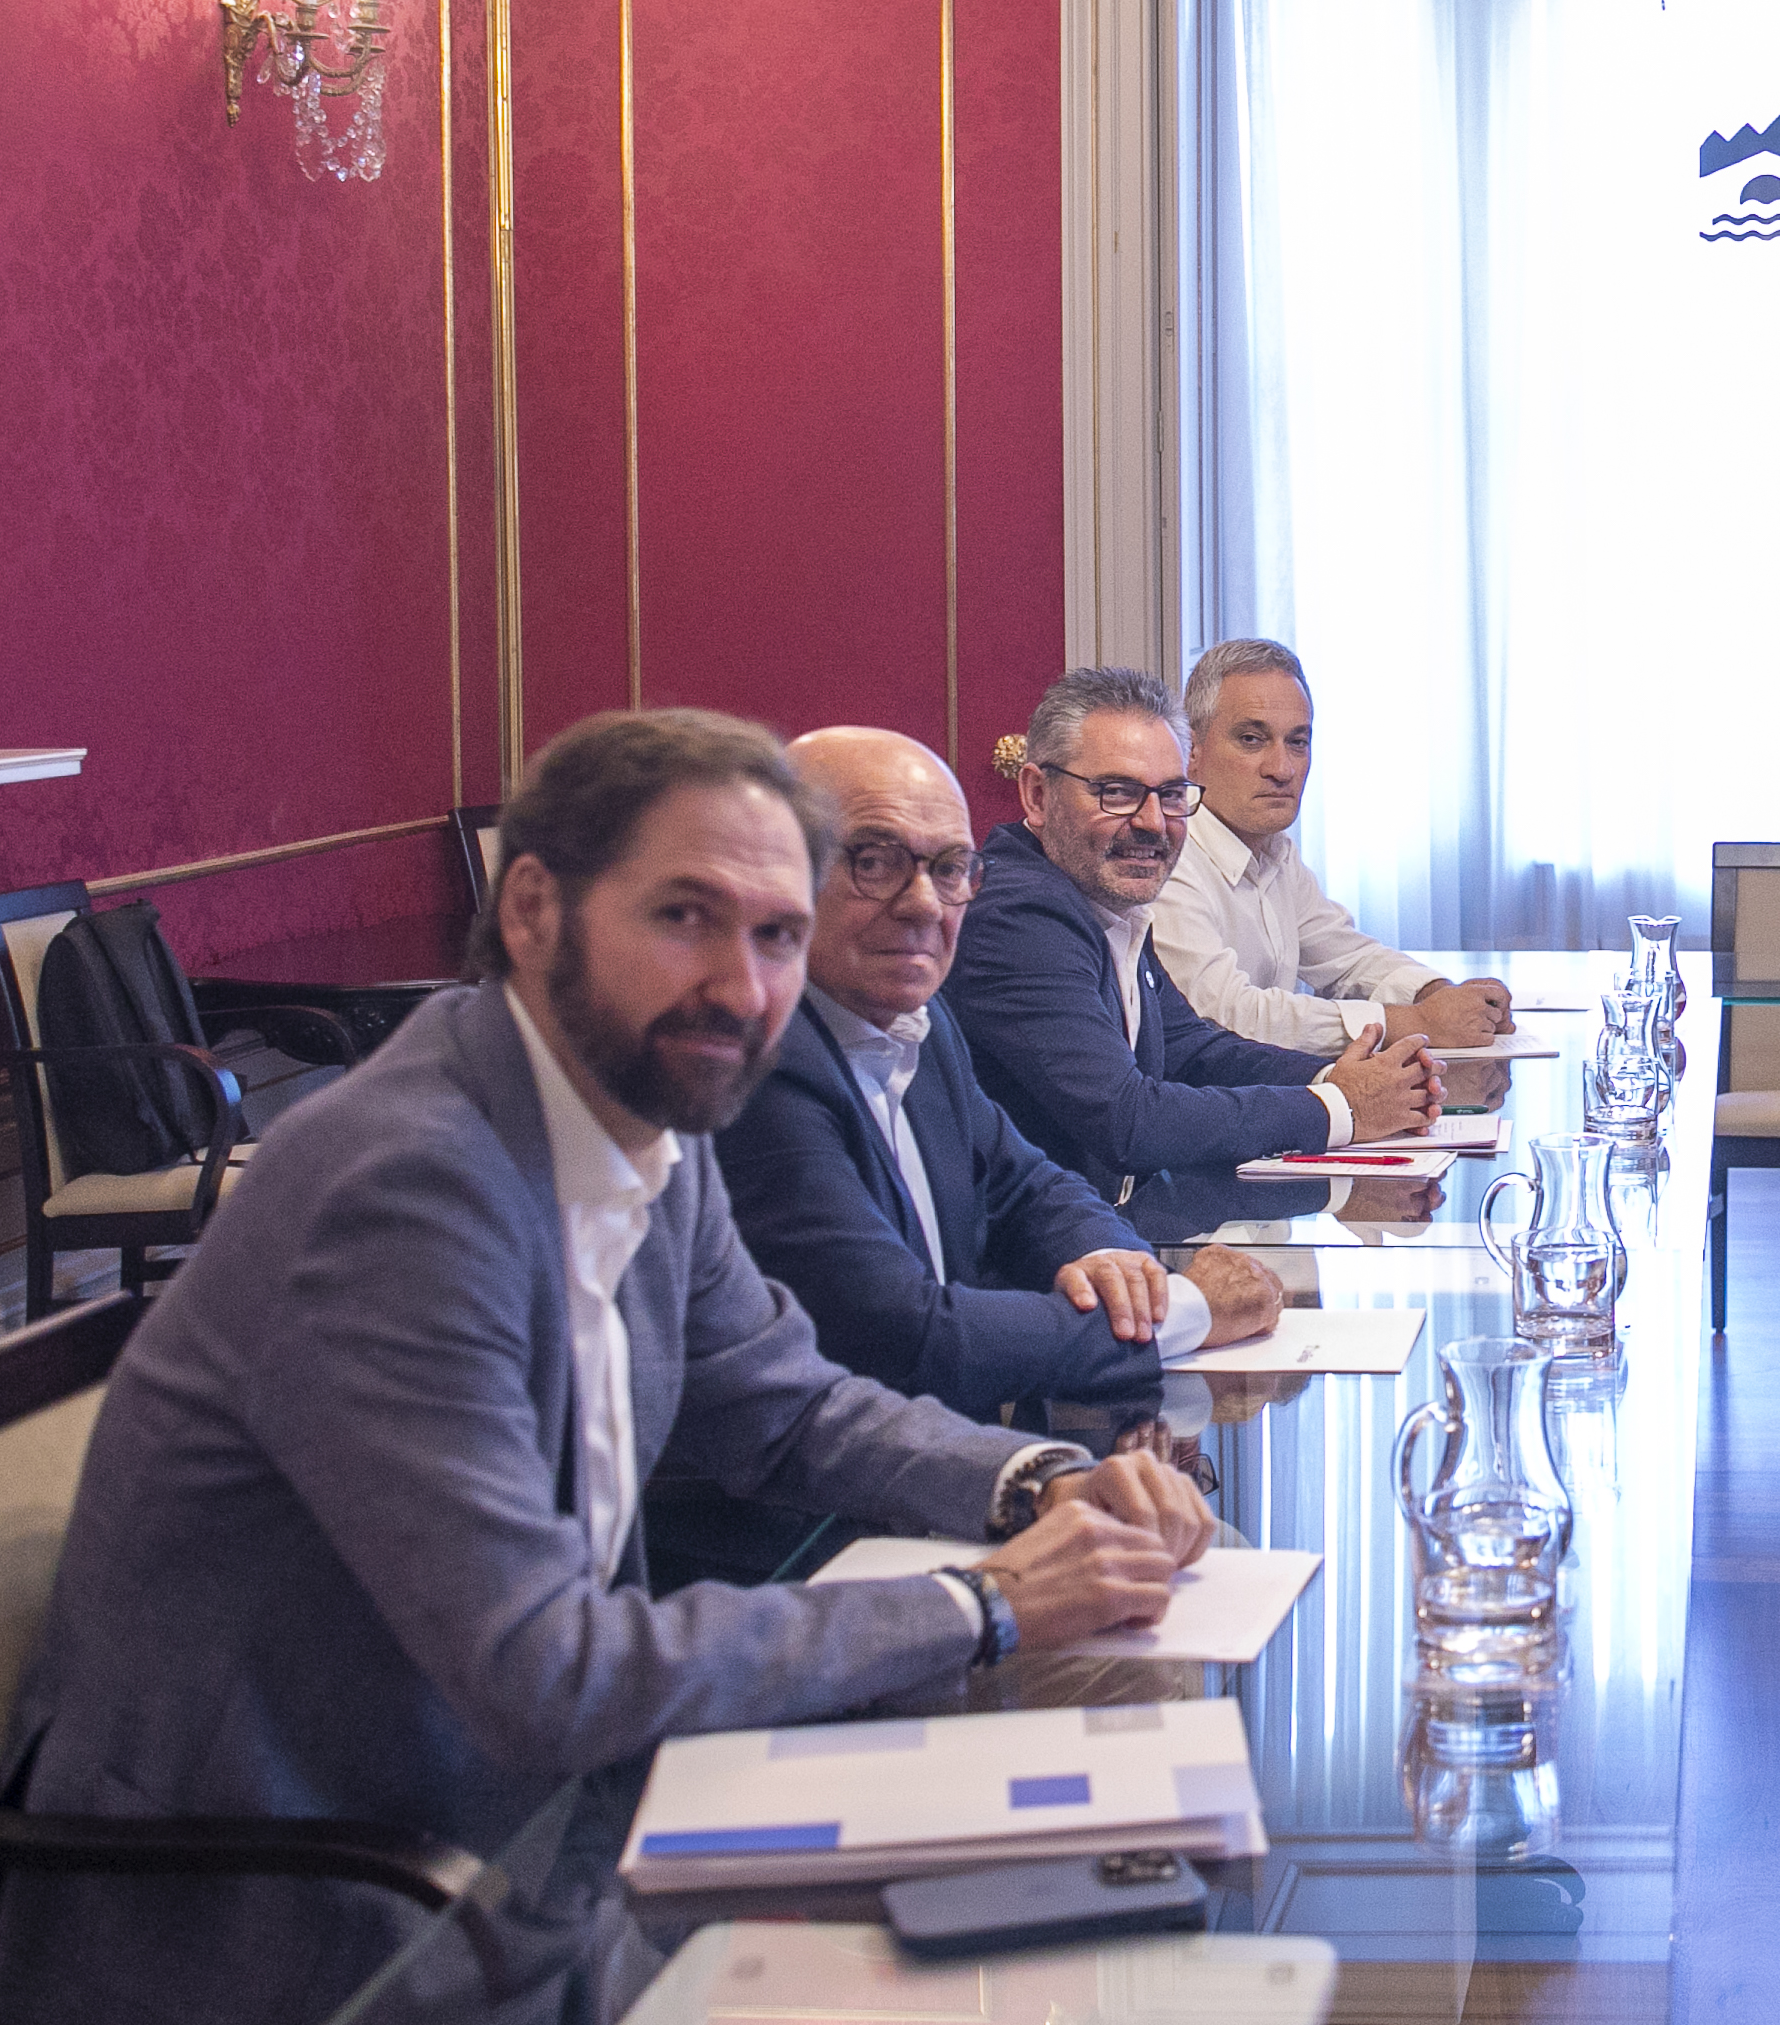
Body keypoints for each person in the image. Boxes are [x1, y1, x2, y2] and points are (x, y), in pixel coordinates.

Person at [0, 709, 1219, 2025]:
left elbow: (787, 1401)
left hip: (536, 1847)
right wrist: (988, 1602)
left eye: (773, 935)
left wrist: (1037, 1487)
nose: (739, 987)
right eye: (684, 918)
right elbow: (548, 1673)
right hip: (320, 1958)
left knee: (1050, 2016)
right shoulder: (406, 1189)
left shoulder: (631, 1118)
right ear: (534, 907)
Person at [643, 726, 1296, 1590]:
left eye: (949, 869)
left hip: (920, 1486)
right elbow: (907, 1337)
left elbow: (1018, 1176)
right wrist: (1180, 1309)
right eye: (874, 861)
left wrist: (1113, 1259)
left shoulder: (914, 1013)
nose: (921, 904)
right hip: (765, 1556)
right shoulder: (760, 1059)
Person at [953, 666, 1442, 1190]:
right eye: (1116, 792)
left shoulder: (1099, 892)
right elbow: (1130, 1122)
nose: (1152, 823)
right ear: (1037, 795)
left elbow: (1191, 1049)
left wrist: (1334, 1078)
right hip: (1043, 1255)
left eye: (1169, 795)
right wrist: (1337, 1109)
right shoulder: (1019, 915)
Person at [1152, 638, 1516, 1052]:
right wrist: (1416, 1021)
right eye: (1252, 739)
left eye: (1297, 742)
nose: (1282, 769)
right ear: (1191, 751)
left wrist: (1440, 995)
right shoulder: (1167, 854)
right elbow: (1226, 1016)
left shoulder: (1273, 849)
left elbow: (1348, 958)